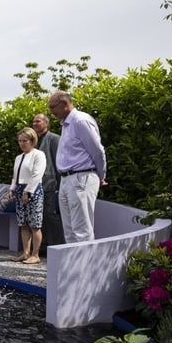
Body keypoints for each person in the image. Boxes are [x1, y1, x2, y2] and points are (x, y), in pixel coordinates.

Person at [47, 90, 107, 243]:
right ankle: (74, 267)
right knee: (70, 231)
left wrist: (101, 174)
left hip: (81, 177)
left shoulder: (80, 121)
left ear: (65, 104)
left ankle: (86, 266)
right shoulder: (67, 124)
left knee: (81, 230)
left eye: (53, 107)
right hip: (67, 179)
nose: (51, 111)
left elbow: (97, 150)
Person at [7, 128, 46, 264]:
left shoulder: (38, 155)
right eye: (20, 141)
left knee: (35, 224)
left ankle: (35, 255)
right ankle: (25, 253)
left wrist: (28, 191)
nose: (22, 143)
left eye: (25, 141)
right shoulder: (19, 157)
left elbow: (37, 174)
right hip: (19, 189)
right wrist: (12, 189)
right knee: (23, 224)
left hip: (33, 190)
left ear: (32, 141)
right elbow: (15, 176)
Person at [32, 113, 65, 249]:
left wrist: (60, 184)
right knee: (39, 216)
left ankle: (57, 245)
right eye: (33, 122)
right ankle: (43, 245)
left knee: (50, 215)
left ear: (46, 123)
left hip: (50, 185)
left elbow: (59, 163)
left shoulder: (54, 139)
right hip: (36, 185)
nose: (34, 124)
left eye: (38, 121)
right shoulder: (33, 140)